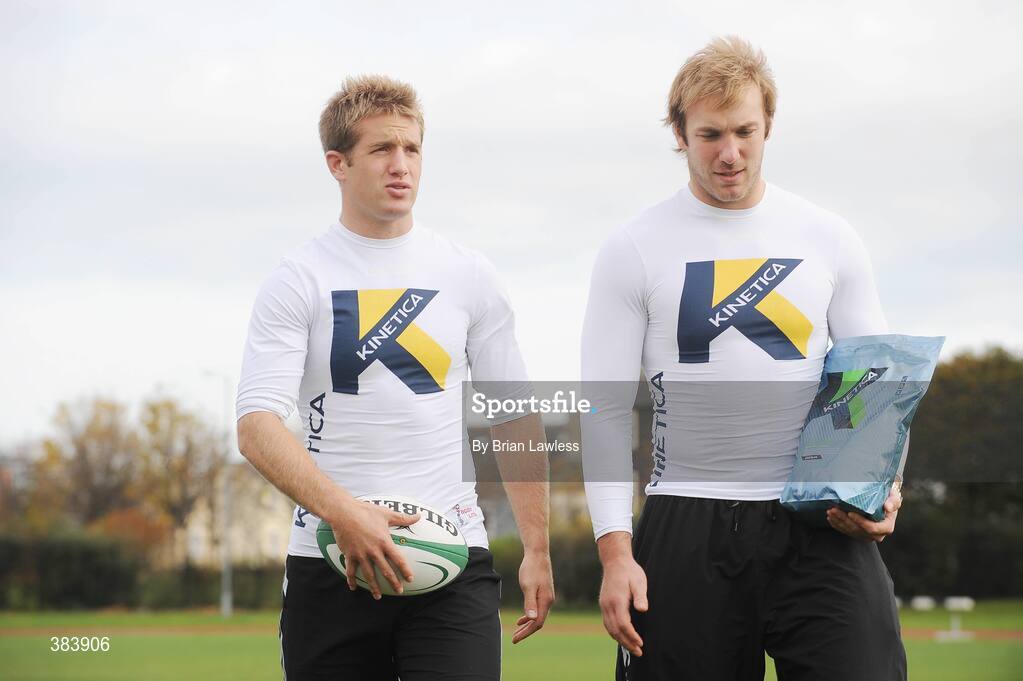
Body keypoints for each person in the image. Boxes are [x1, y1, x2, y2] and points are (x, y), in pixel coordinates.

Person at [581, 37, 907, 681]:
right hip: (686, 522)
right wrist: (616, 552)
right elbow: (604, 410)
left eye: (744, 131)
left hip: (820, 523)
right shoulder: (634, 247)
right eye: (709, 135)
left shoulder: (829, 237)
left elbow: (875, 384)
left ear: (769, 126)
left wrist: (886, 490)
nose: (729, 153)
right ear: (679, 133)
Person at [236, 75, 554, 681]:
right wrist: (343, 512)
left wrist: (537, 550)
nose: (400, 165)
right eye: (381, 149)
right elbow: (256, 426)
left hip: (451, 562)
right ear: (338, 163)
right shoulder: (297, 279)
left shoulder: (469, 274)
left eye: (411, 149)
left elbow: (513, 416)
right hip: (329, 564)